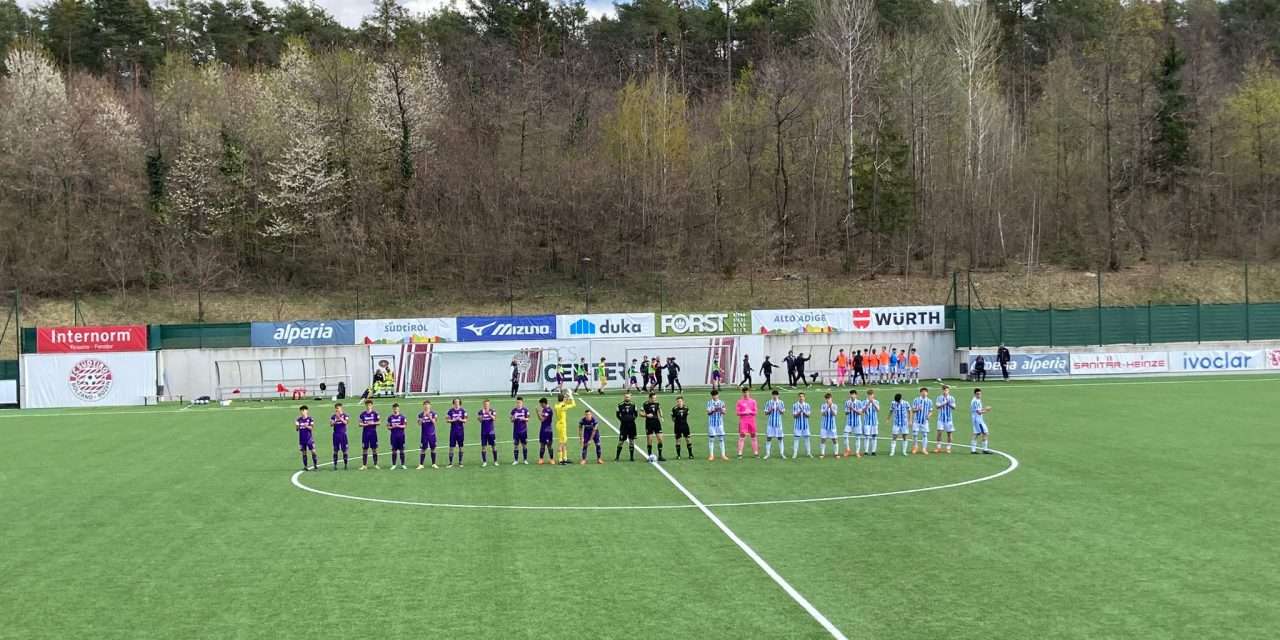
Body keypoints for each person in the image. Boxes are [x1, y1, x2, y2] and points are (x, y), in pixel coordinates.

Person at [553, 391, 576, 465]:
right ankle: (560, 460)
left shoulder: (557, 405)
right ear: (563, 399)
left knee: (564, 442)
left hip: (559, 424)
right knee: (561, 443)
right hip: (562, 425)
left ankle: (565, 458)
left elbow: (564, 402)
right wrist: (571, 396)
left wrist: (566, 397)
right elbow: (573, 404)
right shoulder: (563, 407)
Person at [736, 387, 759, 459]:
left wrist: (750, 411)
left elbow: (755, 412)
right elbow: (737, 413)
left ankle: (756, 453)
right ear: (742, 393)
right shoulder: (739, 402)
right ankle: (740, 453)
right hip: (743, 421)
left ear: (749, 392)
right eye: (744, 392)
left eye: (747, 392)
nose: (746, 394)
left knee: (753, 436)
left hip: (751, 421)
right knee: (742, 436)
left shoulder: (753, 401)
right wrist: (744, 412)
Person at [615, 392, 639, 462]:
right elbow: (617, 415)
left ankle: (631, 457)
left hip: (632, 425)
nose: (627, 398)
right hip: (623, 426)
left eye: (628, 397)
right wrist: (622, 420)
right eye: (626, 397)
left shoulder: (633, 405)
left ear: (630, 397)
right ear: (624, 397)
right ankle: (617, 457)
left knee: (632, 441)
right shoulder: (620, 405)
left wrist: (631, 419)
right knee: (621, 441)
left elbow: (636, 414)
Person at [643, 392, 666, 461]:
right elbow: (640, 413)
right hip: (649, 424)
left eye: (655, 398)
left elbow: (659, 409)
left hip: (657, 423)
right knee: (649, 440)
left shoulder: (657, 403)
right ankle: (649, 456)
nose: (654, 399)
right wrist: (646, 415)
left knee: (660, 439)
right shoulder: (645, 404)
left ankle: (660, 455)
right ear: (650, 398)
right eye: (653, 398)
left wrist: (661, 416)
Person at [933, 384, 956, 454]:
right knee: (939, 432)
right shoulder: (939, 398)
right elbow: (937, 406)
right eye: (944, 390)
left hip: (949, 419)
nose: (945, 391)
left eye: (946, 390)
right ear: (942, 390)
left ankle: (948, 448)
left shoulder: (952, 398)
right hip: (941, 419)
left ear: (948, 390)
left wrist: (948, 404)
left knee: (949, 433)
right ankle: (938, 447)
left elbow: (954, 407)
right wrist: (944, 403)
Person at [763, 390, 786, 459]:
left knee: (780, 438)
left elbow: (782, 413)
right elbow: (766, 413)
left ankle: (782, 453)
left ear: (778, 395)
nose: (775, 396)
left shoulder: (781, 402)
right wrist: (770, 410)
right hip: (770, 424)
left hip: (778, 424)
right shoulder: (768, 402)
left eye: (776, 395)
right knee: (769, 438)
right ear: (772, 395)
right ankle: (767, 454)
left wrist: (779, 409)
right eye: (774, 395)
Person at [706, 389, 728, 461]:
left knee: (721, 439)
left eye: (716, 395)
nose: (715, 397)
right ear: (712, 396)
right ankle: (711, 455)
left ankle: (723, 455)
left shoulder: (722, 402)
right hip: (712, 424)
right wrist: (713, 410)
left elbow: (724, 412)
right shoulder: (709, 403)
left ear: (718, 395)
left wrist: (721, 410)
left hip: (720, 424)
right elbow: (708, 413)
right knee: (711, 439)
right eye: (713, 395)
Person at [358, 399, 380, 470]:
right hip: (365, 433)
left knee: (374, 449)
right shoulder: (362, 414)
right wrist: (365, 424)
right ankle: (364, 465)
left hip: (373, 433)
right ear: (365, 406)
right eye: (367, 405)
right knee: (365, 449)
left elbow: (379, 422)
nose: (368, 406)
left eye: (370, 405)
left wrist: (372, 423)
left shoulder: (375, 413)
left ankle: (375, 464)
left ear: (372, 405)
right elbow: (359, 424)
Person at [910, 388, 932, 456]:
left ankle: (924, 449)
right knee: (915, 434)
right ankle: (915, 447)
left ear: (927, 393)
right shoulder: (916, 400)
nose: (924, 393)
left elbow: (931, 411)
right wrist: (917, 409)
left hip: (925, 421)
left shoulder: (929, 401)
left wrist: (929, 416)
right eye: (923, 392)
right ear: (920, 393)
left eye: (925, 392)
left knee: (925, 435)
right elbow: (912, 410)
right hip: (916, 420)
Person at [446, 398, 467, 468]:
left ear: (460, 403)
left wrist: (460, 419)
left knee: (461, 447)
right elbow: (447, 420)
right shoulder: (450, 411)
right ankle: (450, 463)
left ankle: (460, 462)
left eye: (458, 402)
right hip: (453, 431)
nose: (456, 403)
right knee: (451, 447)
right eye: (455, 402)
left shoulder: (463, 411)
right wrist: (453, 420)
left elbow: (465, 420)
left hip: (460, 431)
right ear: (453, 403)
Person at [417, 400, 439, 469]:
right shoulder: (420, 414)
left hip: (432, 434)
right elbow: (419, 424)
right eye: (425, 405)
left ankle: (434, 463)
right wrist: (423, 417)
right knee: (423, 449)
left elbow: (434, 422)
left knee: (433, 448)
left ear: (430, 406)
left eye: (428, 405)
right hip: (424, 435)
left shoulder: (433, 414)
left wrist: (429, 416)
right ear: (423, 406)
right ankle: (421, 464)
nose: (426, 406)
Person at [971, 388, 993, 454]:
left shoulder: (977, 400)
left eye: (980, 394)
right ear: (975, 394)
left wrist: (984, 409)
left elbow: (979, 410)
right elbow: (979, 412)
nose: (979, 395)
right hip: (978, 420)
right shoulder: (975, 401)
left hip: (977, 419)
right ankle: (984, 450)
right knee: (985, 433)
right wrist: (987, 410)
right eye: (978, 394)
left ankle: (973, 450)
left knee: (977, 433)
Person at [296, 405, 318, 471]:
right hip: (302, 439)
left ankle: (315, 465)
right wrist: (298, 426)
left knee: (313, 452)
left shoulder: (310, 419)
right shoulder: (298, 420)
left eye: (303, 410)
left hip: (309, 439)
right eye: (301, 411)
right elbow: (297, 429)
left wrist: (306, 426)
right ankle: (305, 466)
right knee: (304, 453)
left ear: (306, 411)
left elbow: (312, 428)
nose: (302, 412)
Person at [387, 403, 408, 469]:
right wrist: (392, 427)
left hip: (401, 436)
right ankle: (394, 464)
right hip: (393, 436)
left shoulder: (402, 417)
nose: (395, 409)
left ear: (398, 408)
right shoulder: (390, 417)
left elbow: (405, 425)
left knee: (402, 450)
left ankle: (403, 464)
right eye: (394, 408)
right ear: (393, 409)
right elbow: (388, 427)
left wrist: (398, 425)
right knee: (394, 450)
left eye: (396, 408)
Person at [818, 393, 840, 458]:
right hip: (824, 426)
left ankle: (836, 453)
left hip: (832, 426)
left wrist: (831, 407)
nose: (828, 400)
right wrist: (827, 407)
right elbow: (823, 414)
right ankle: (822, 453)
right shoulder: (823, 405)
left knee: (834, 439)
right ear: (825, 399)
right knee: (823, 439)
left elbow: (834, 414)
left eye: (829, 398)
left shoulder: (835, 406)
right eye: (827, 399)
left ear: (831, 398)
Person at [791, 392, 812, 458]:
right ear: (798, 397)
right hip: (797, 425)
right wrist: (799, 412)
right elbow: (794, 416)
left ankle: (808, 453)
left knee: (807, 439)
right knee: (796, 439)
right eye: (800, 396)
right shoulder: (795, 405)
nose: (801, 398)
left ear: (804, 398)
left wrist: (804, 412)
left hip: (805, 425)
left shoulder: (807, 405)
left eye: (802, 396)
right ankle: (795, 453)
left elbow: (808, 416)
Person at [510, 397, 530, 465]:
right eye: (517, 402)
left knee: (524, 445)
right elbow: (511, 420)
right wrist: (513, 418)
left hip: (523, 431)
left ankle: (525, 460)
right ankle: (516, 460)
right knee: (516, 445)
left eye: (519, 402)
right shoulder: (513, 410)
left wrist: (523, 418)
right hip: (516, 431)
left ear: (522, 402)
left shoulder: (525, 410)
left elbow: (528, 419)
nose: (518, 404)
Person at [330, 402, 349, 470]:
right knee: (335, 450)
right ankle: (335, 465)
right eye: (336, 408)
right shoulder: (333, 416)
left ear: (341, 408)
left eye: (338, 408)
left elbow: (346, 422)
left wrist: (340, 418)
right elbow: (331, 424)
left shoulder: (345, 415)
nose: (337, 409)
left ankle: (346, 464)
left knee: (345, 450)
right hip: (336, 435)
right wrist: (335, 420)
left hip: (343, 434)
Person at [843, 390, 863, 459]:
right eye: (851, 394)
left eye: (853, 394)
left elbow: (860, 413)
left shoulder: (859, 402)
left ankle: (857, 452)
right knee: (845, 436)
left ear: (856, 395)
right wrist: (848, 410)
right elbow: (846, 413)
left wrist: (853, 409)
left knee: (857, 438)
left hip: (857, 422)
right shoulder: (847, 402)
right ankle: (848, 450)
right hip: (849, 422)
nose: (852, 396)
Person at [537, 398, 555, 465]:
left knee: (549, 445)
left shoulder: (548, 410)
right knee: (542, 445)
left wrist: (538, 412)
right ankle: (541, 459)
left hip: (548, 430)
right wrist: (539, 413)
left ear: (544, 403)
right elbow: (540, 419)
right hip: (543, 429)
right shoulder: (544, 410)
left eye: (541, 404)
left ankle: (551, 459)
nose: (540, 405)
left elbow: (542, 419)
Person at [863, 389, 880, 455]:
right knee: (867, 436)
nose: (870, 396)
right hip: (866, 421)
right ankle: (866, 451)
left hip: (874, 421)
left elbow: (878, 410)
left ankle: (873, 451)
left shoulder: (876, 402)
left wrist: (873, 403)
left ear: (873, 395)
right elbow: (863, 410)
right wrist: (868, 404)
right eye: (869, 395)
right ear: (867, 395)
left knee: (874, 436)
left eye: (871, 395)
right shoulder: (864, 402)